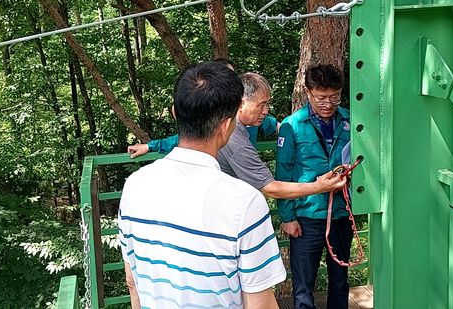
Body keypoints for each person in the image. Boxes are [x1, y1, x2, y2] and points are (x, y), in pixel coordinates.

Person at [117, 62, 286, 309]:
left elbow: (133, 282)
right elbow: (261, 305)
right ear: (227, 126)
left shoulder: (134, 186)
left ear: (175, 112)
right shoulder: (245, 202)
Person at [276, 64, 353, 309]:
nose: (328, 103)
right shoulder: (293, 125)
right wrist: (288, 217)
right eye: (321, 97)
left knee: (340, 279)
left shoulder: (350, 120)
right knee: (303, 284)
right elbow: (284, 172)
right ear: (308, 92)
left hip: (341, 212)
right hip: (307, 215)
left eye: (334, 96)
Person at [217, 72, 346, 198]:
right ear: (241, 103)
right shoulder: (235, 139)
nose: (266, 111)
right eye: (261, 105)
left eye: (267, 104)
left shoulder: (226, 125)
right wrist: (319, 187)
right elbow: (271, 189)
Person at [127, 59, 279, 157]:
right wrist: (149, 146)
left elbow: (278, 126)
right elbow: (188, 137)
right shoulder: (212, 114)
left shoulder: (254, 116)